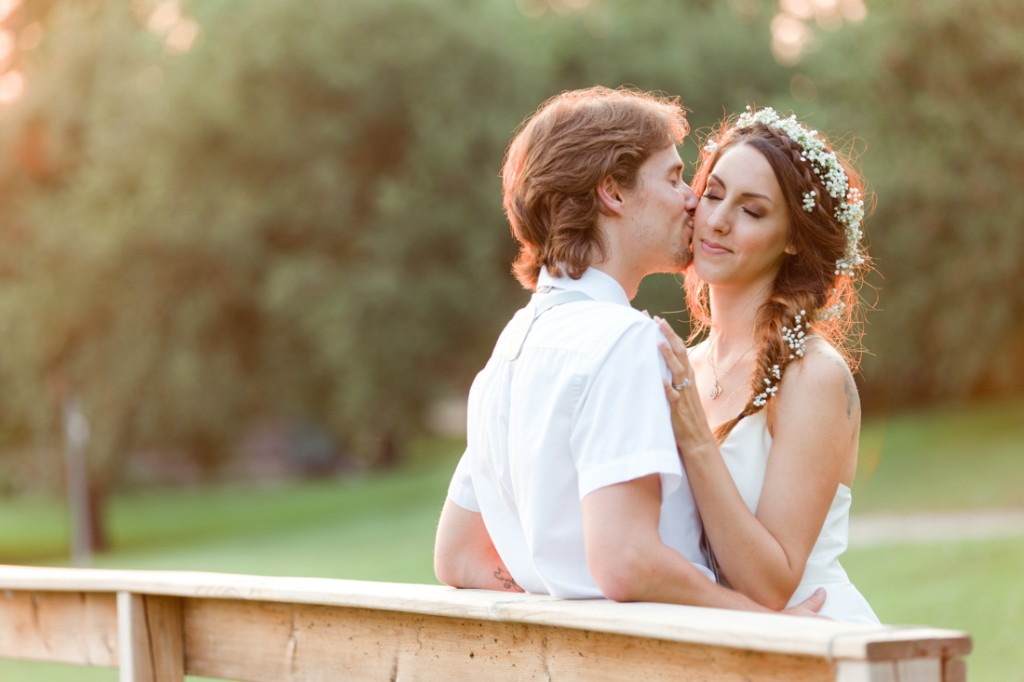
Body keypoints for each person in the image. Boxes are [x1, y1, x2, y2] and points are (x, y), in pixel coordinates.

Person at [433, 87, 823, 615]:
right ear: (613, 192)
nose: (693, 199)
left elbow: (459, 557)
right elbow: (626, 561)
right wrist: (765, 626)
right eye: (673, 177)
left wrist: (569, 594)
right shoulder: (625, 341)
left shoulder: (509, 350)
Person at [656, 107, 879, 623]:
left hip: (813, 639)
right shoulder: (684, 364)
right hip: (723, 646)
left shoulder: (812, 376)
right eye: (713, 193)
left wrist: (693, 434)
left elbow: (770, 584)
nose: (717, 220)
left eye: (752, 211)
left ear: (793, 237)